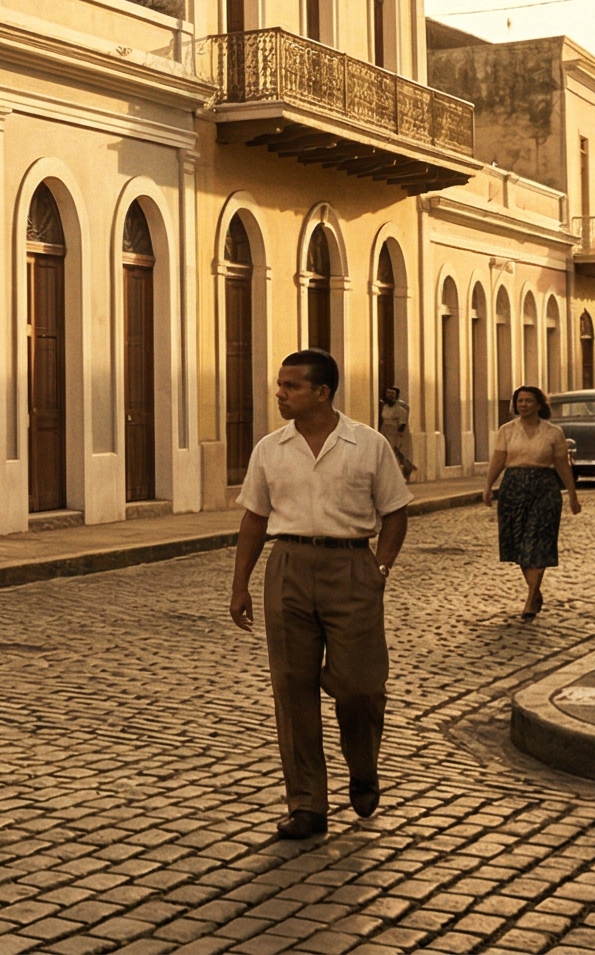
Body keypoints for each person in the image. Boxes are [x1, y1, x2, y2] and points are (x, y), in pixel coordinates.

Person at [228, 348, 409, 841]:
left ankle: (363, 765)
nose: (280, 394)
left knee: (361, 686)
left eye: (291, 386)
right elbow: (254, 517)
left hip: (352, 565)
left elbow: (395, 512)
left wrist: (379, 569)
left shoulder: (367, 445)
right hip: (288, 565)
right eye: (280, 385)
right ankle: (307, 803)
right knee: (292, 690)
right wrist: (240, 582)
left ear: (322, 392)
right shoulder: (270, 448)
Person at [484, 385, 577, 620]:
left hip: (544, 488)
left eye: (528, 401)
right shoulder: (507, 430)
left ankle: (530, 598)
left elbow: (562, 465)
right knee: (519, 545)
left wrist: (573, 495)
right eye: (520, 401)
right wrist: (488, 486)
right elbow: (499, 460)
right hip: (513, 488)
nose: (523, 405)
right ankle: (535, 593)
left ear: (539, 404)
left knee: (538, 542)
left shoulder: (553, 432)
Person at [378, 387, 414, 479]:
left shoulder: (401, 408)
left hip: (395, 432)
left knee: (396, 452)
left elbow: (403, 422)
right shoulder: (385, 407)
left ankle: (399, 475)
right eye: (388, 393)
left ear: (396, 395)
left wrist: (400, 432)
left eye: (392, 393)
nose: (390, 395)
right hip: (385, 431)